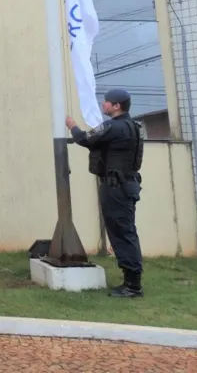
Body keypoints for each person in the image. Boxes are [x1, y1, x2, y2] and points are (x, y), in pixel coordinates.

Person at [66, 87, 146, 298]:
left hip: (116, 187)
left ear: (117, 106)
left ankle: (133, 286)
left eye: (107, 102)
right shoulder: (133, 126)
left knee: (122, 233)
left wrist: (72, 126)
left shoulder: (114, 126)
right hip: (126, 185)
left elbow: (85, 139)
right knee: (126, 231)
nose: (103, 104)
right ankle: (131, 281)